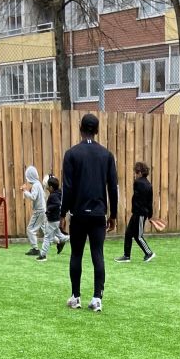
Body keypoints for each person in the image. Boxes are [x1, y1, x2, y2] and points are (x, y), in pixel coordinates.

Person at [60, 113, 118, 312]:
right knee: (97, 254)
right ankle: (97, 298)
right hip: (98, 214)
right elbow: (113, 187)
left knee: (76, 254)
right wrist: (114, 215)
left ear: (80, 128)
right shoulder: (107, 155)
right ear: (97, 130)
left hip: (78, 214)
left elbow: (67, 187)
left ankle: (75, 296)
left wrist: (62, 213)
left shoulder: (72, 154)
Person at [115, 161, 155, 263]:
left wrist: (144, 213)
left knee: (138, 236)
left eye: (136, 172)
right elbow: (150, 201)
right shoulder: (149, 184)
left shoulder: (138, 183)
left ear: (140, 172)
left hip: (139, 213)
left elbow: (137, 200)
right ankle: (126, 256)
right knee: (128, 233)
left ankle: (149, 253)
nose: (135, 174)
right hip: (140, 213)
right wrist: (150, 215)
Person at [37, 175, 68, 261]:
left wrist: (48, 210)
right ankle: (73, 237)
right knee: (60, 236)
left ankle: (43, 255)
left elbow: (57, 204)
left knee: (47, 237)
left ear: (51, 187)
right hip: (56, 219)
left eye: (47, 186)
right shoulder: (58, 193)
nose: (46, 187)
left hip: (52, 220)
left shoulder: (53, 196)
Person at [21, 165, 46, 256]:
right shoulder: (38, 184)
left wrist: (25, 191)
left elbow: (33, 197)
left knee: (30, 229)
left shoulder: (35, 185)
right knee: (45, 229)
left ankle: (35, 249)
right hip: (42, 210)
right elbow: (43, 196)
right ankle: (59, 240)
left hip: (39, 211)